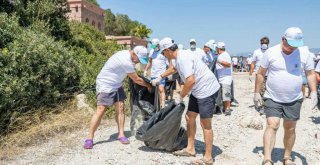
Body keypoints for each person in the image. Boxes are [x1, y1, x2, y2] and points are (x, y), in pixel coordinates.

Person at [254, 27, 318, 165]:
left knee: (290, 128)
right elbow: (260, 73)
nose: (293, 48)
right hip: (272, 96)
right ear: (283, 39)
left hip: (294, 98)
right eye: (290, 45)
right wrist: (256, 93)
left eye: (296, 45)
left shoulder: (304, 53)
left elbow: (310, 73)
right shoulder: (271, 52)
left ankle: (287, 157)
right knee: (273, 124)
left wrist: (313, 91)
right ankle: (267, 158)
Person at [151, 37, 220, 165]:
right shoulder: (177, 57)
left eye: (163, 53)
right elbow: (173, 69)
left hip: (207, 90)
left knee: (205, 124)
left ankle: (208, 157)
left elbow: (190, 81)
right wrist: (160, 77)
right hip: (197, 90)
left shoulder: (183, 58)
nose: (163, 55)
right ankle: (190, 148)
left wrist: (181, 96)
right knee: (189, 117)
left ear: (167, 50)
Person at [84, 46, 152, 149]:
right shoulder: (125, 60)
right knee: (101, 110)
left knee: (120, 108)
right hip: (105, 84)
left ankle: (121, 135)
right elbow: (136, 79)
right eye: (138, 59)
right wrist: (149, 85)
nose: (138, 62)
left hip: (117, 84)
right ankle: (89, 138)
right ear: (134, 54)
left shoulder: (129, 57)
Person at [144, 38, 167, 108]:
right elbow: (149, 61)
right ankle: (155, 105)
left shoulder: (163, 52)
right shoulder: (151, 51)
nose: (154, 48)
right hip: (153, 74)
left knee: (161, 89)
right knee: (152, 90)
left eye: (155, 46)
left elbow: (169, 62)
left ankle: (162, 105)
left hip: (161, 74)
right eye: (153, 47)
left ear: (158, 45)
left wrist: (169, 73)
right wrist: (146, 70)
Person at [215, 42, 233, 115]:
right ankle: (223, 108)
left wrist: (220, 61)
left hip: (226, 78)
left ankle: (227, 109)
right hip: (220, 78)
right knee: (221, 95)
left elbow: (228, 64)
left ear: (218, 48)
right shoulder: (220, 55)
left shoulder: (225, 54)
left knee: (226, 94)